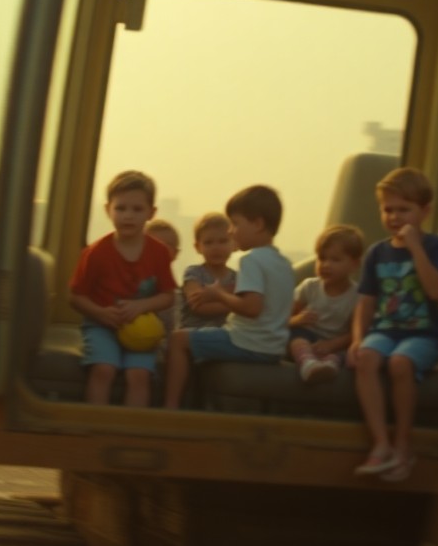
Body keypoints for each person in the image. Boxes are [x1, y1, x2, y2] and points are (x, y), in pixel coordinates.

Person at [349, 167, 438, 483]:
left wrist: (415, 248)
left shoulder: (435, 246)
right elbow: (366, 302)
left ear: (424, 211)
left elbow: (435, 290)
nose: (395, 217)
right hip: (384, 330)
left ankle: (403, 445)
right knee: (366, 358)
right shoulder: (377, 253)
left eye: (403, 210)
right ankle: (381, 444)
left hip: (423, 334)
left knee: (400, 363)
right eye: (388, 210)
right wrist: (356, 339)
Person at [163, 185, 294, 409]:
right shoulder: (284, 264)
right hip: (273, 348)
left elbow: (252, 308)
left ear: (258, 224)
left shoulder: (251, 260)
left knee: (178, 340)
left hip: (247, 342)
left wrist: (218, 294)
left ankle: (170, 408)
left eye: (235, 224)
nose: (231, 231)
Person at [69, 171, 176, 406]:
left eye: (137, 209)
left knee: (138, 376)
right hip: (101, 325)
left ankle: (130, 429)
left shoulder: (158, 253)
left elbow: (168, 296)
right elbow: (76, 298)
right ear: (108, 210)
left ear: (151, 212)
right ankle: (95, 426)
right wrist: (101, 313)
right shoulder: (95, 253)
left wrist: (141, 305)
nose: (128, 216)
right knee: (103, 369)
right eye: (121, 209)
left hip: (141, 328)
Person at [288, 225, 364, 384]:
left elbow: (355, 332)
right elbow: (283, 318)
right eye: (322, 258)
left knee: (348, 350)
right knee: (295, 336)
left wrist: (332, 345)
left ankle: (329, 365)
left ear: (354, 264)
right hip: (308, 338)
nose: (326, 265)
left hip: (335, 342)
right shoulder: (309, 287)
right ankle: (308, 363)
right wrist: (297, 320)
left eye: (335, 260)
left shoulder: (357, 296)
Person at [176, 212, 236, 329]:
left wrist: (213, 296)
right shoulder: (194, 273)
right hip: (194, 333)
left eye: (223, 241)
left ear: (234, 244)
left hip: (227, 335)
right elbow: (199, 306)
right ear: (198, 247)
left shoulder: (237, 277)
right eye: (208, 242)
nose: (216, 247)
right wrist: (235, 304)